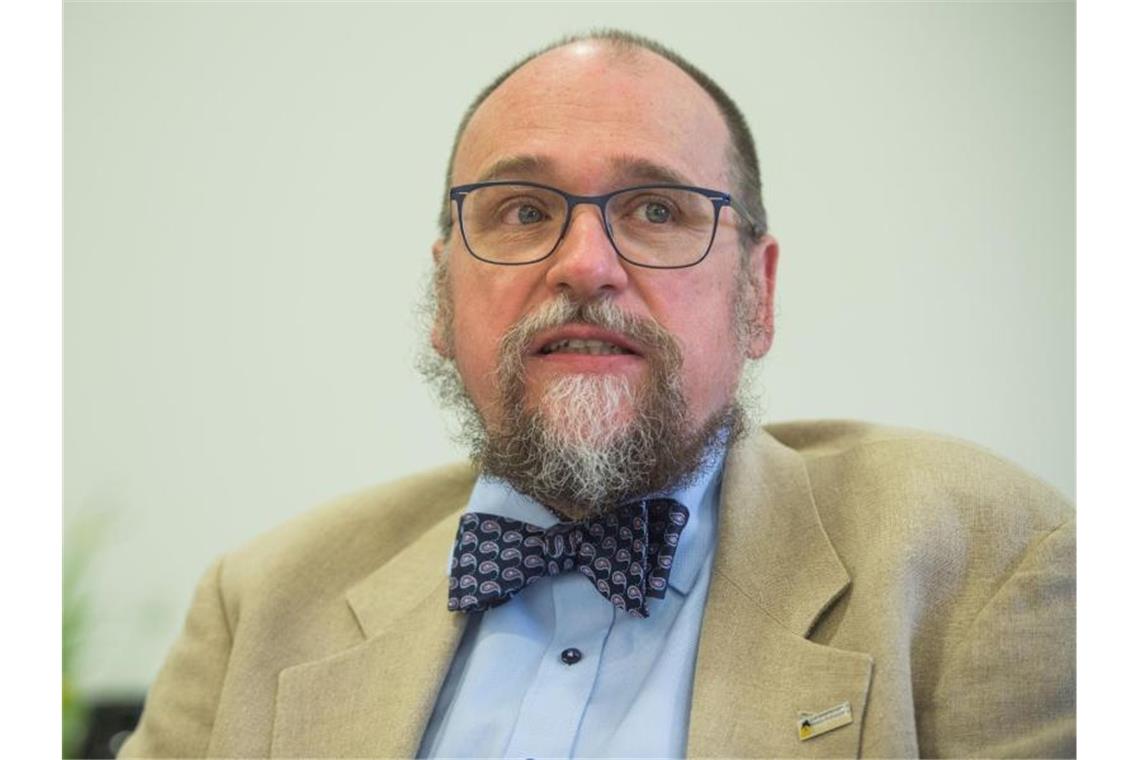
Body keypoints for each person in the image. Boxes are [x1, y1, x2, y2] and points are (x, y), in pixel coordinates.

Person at [119, 30, 1075, 759]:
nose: (586, 265)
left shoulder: (984, 560)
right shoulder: (256, 607)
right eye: (523, 212)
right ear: (443, 299)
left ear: (758, 295)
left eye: (656, 211)